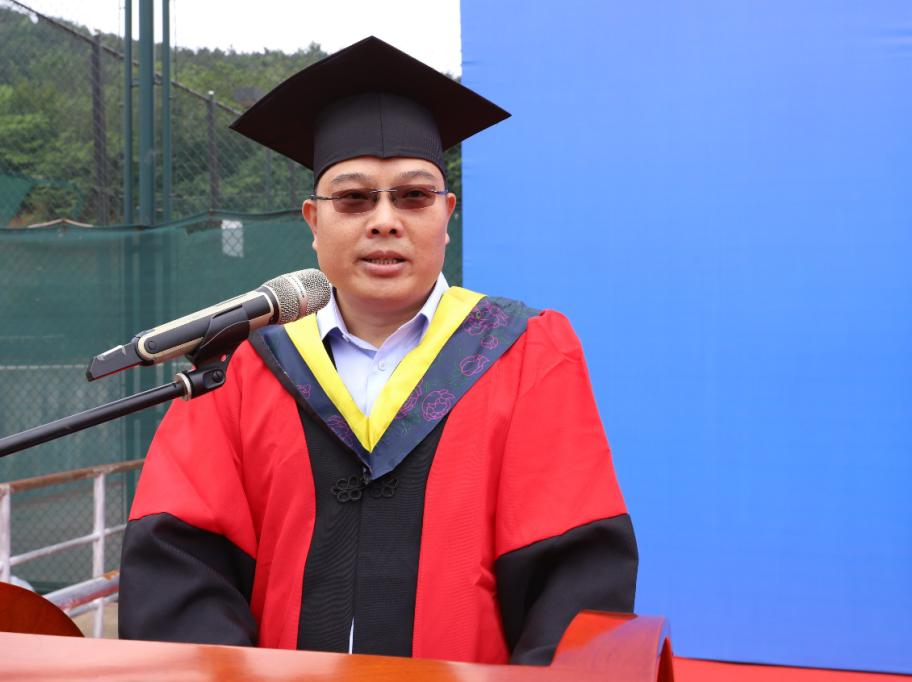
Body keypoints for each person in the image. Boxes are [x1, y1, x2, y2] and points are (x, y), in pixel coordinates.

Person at [118, 36, 638, 666]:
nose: (384, 220)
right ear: (314, 222)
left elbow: (574, 579)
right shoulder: (241, 371)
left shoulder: (524, 352)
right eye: (354, 198)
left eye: (413, 196)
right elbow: (180, 567)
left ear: (447, 216)